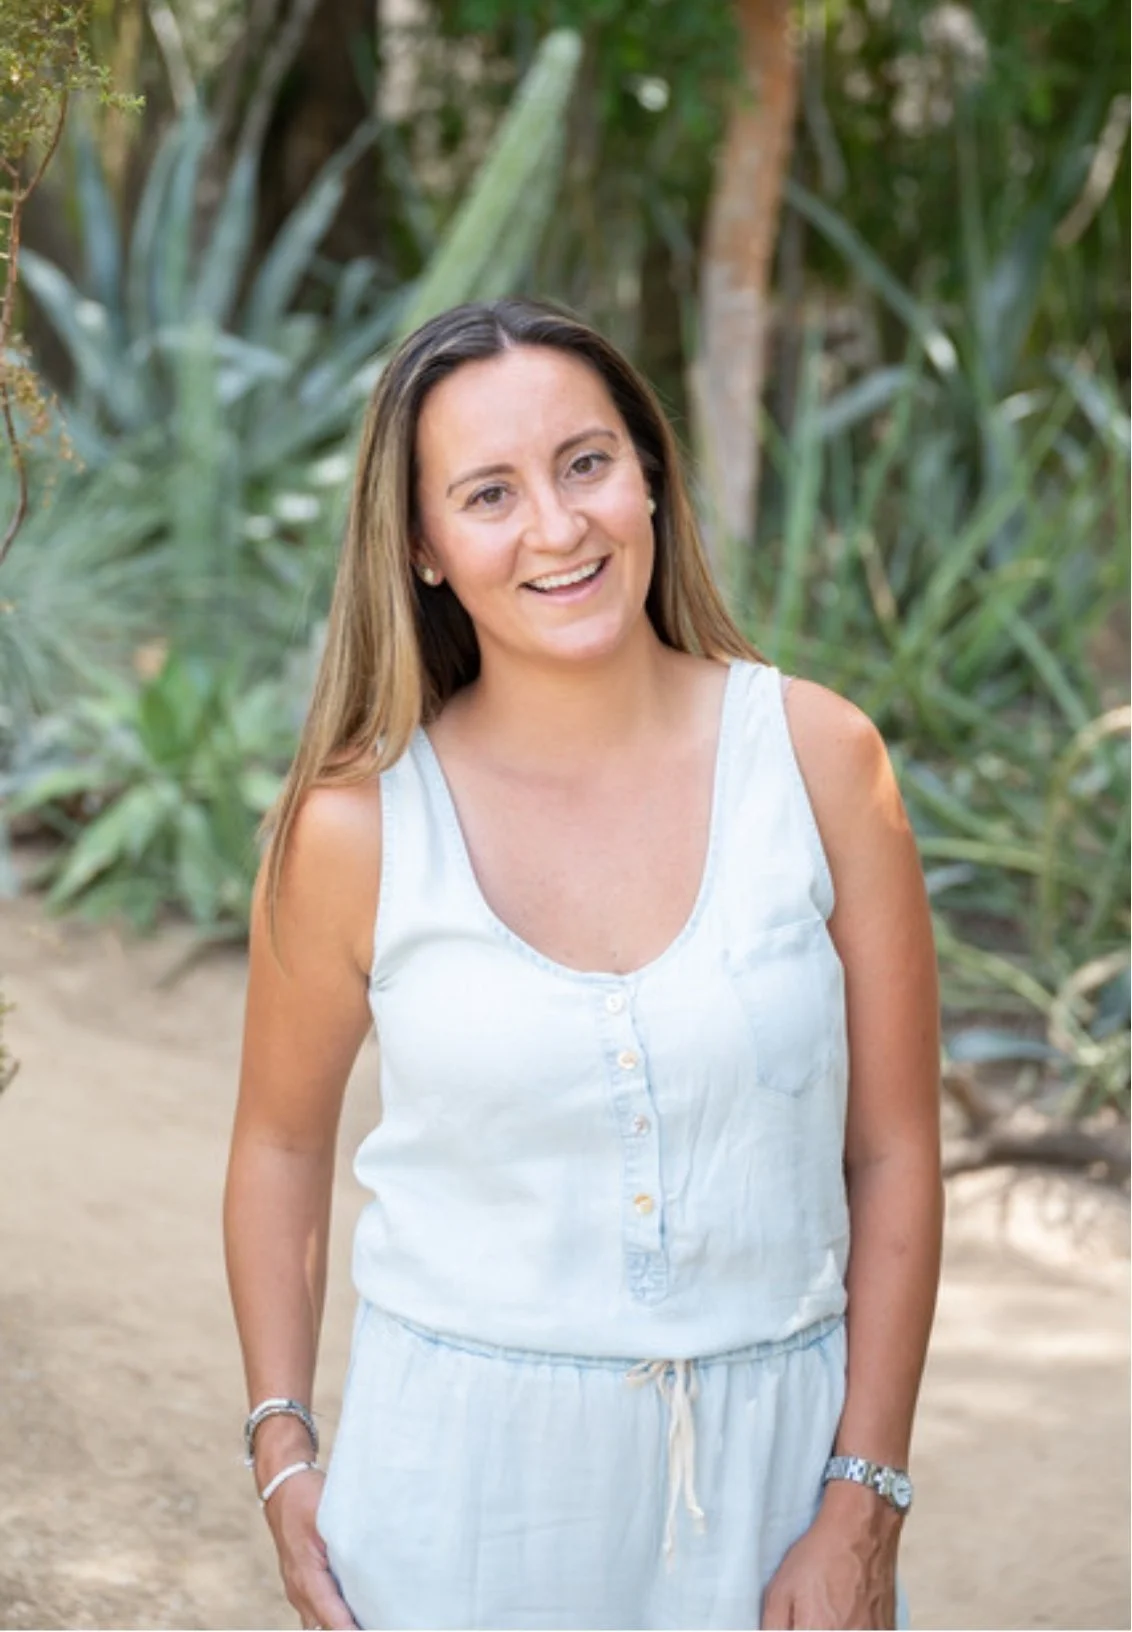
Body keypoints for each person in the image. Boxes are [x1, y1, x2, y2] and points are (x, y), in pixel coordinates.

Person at [223, 296, 943, 1632]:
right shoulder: (354, 830)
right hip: (454, 1504)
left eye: (586, 464)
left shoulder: (823, 764)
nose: (557, 528)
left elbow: (894, 1151)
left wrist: (863, 1503)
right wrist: (282, 1449)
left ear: (650, 478)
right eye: (488, 493)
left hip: (779, 1492)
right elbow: (277, 1148)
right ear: (424, 548)